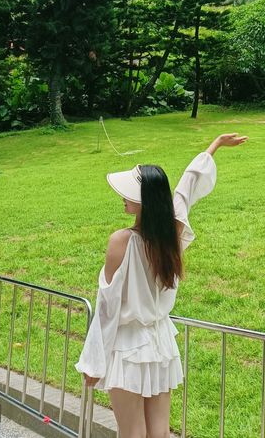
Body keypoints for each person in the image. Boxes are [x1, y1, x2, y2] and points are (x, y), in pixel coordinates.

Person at [75, 132, 248, 438]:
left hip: (128, 346)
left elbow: (107, 308)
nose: (123, 197)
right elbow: (186, 189)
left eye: (129, 193)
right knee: (159, 432)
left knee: (132, 432)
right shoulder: (171, 236)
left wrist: (92, 361)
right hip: (160, 342)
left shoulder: (122, 241)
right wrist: (215, 146)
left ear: (144, 201)